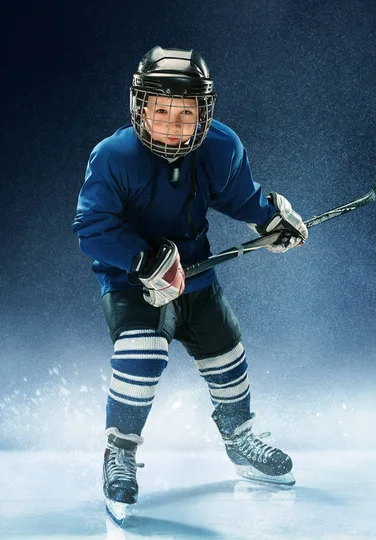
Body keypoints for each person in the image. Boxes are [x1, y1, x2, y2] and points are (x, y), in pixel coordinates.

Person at [72, 46, 307, 521]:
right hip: (131, 282)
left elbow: (241, 197)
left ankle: (240, 438)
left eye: (186, 113)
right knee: (143, 353)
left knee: (227, 350)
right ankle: (119, 451)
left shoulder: (220, 146)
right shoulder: (113, 156)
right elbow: (92, 227)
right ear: (140, 108)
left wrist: (270, 219)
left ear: (205, 113)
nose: (174, 124)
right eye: (162, 111)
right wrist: (141, 259)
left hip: (195, 275)